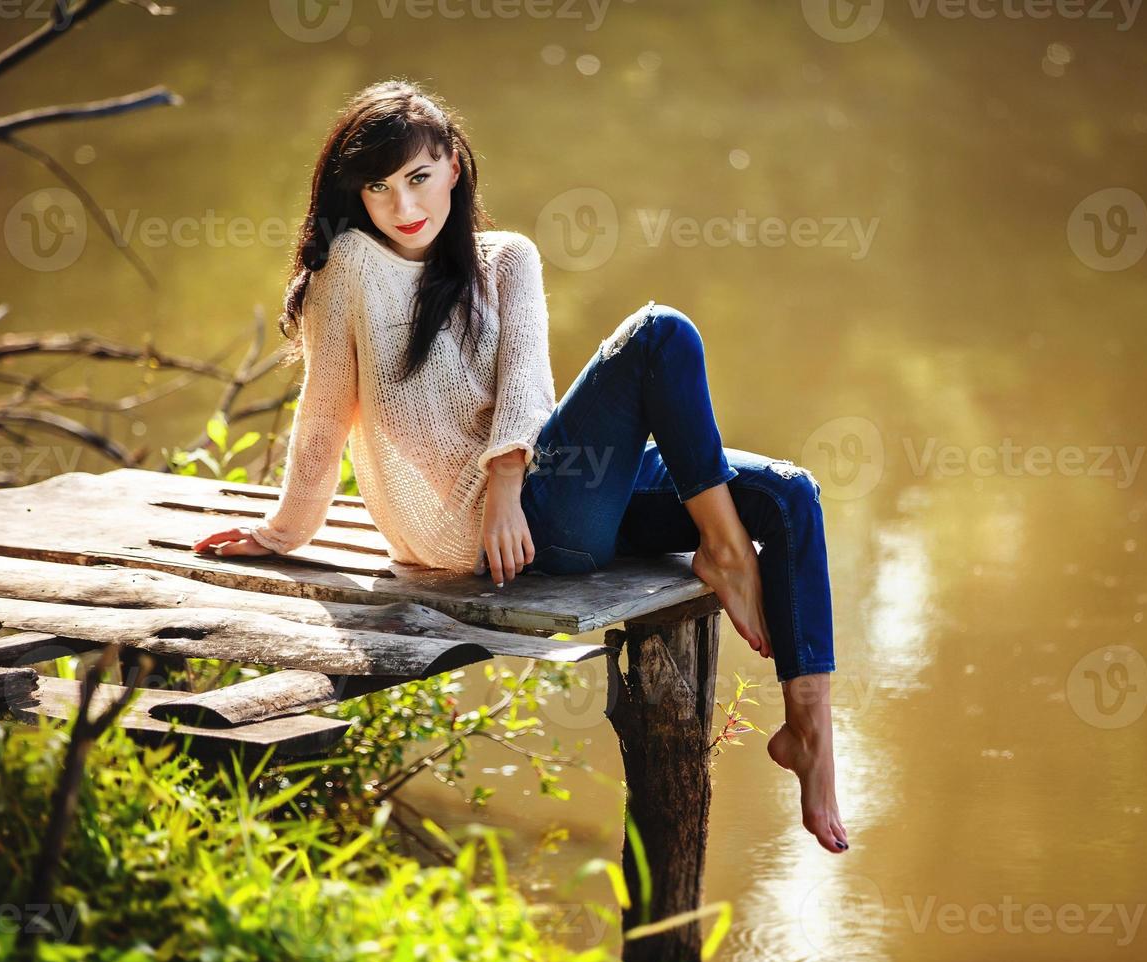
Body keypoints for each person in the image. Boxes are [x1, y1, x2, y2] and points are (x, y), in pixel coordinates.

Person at [192, 79, 849, 854]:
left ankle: (809, 734)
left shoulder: (506, 260)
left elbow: (529, 392)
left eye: (418, 177)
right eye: (377, 186)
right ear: (354, 195)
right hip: (503, 533)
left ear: (455, 166)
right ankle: (727, 552)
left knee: (791, 495)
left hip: (545, 498)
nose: (402, 204)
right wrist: (281, 529)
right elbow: (324, 416)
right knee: (661, 335)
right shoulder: (350, 272)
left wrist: (509, 480)